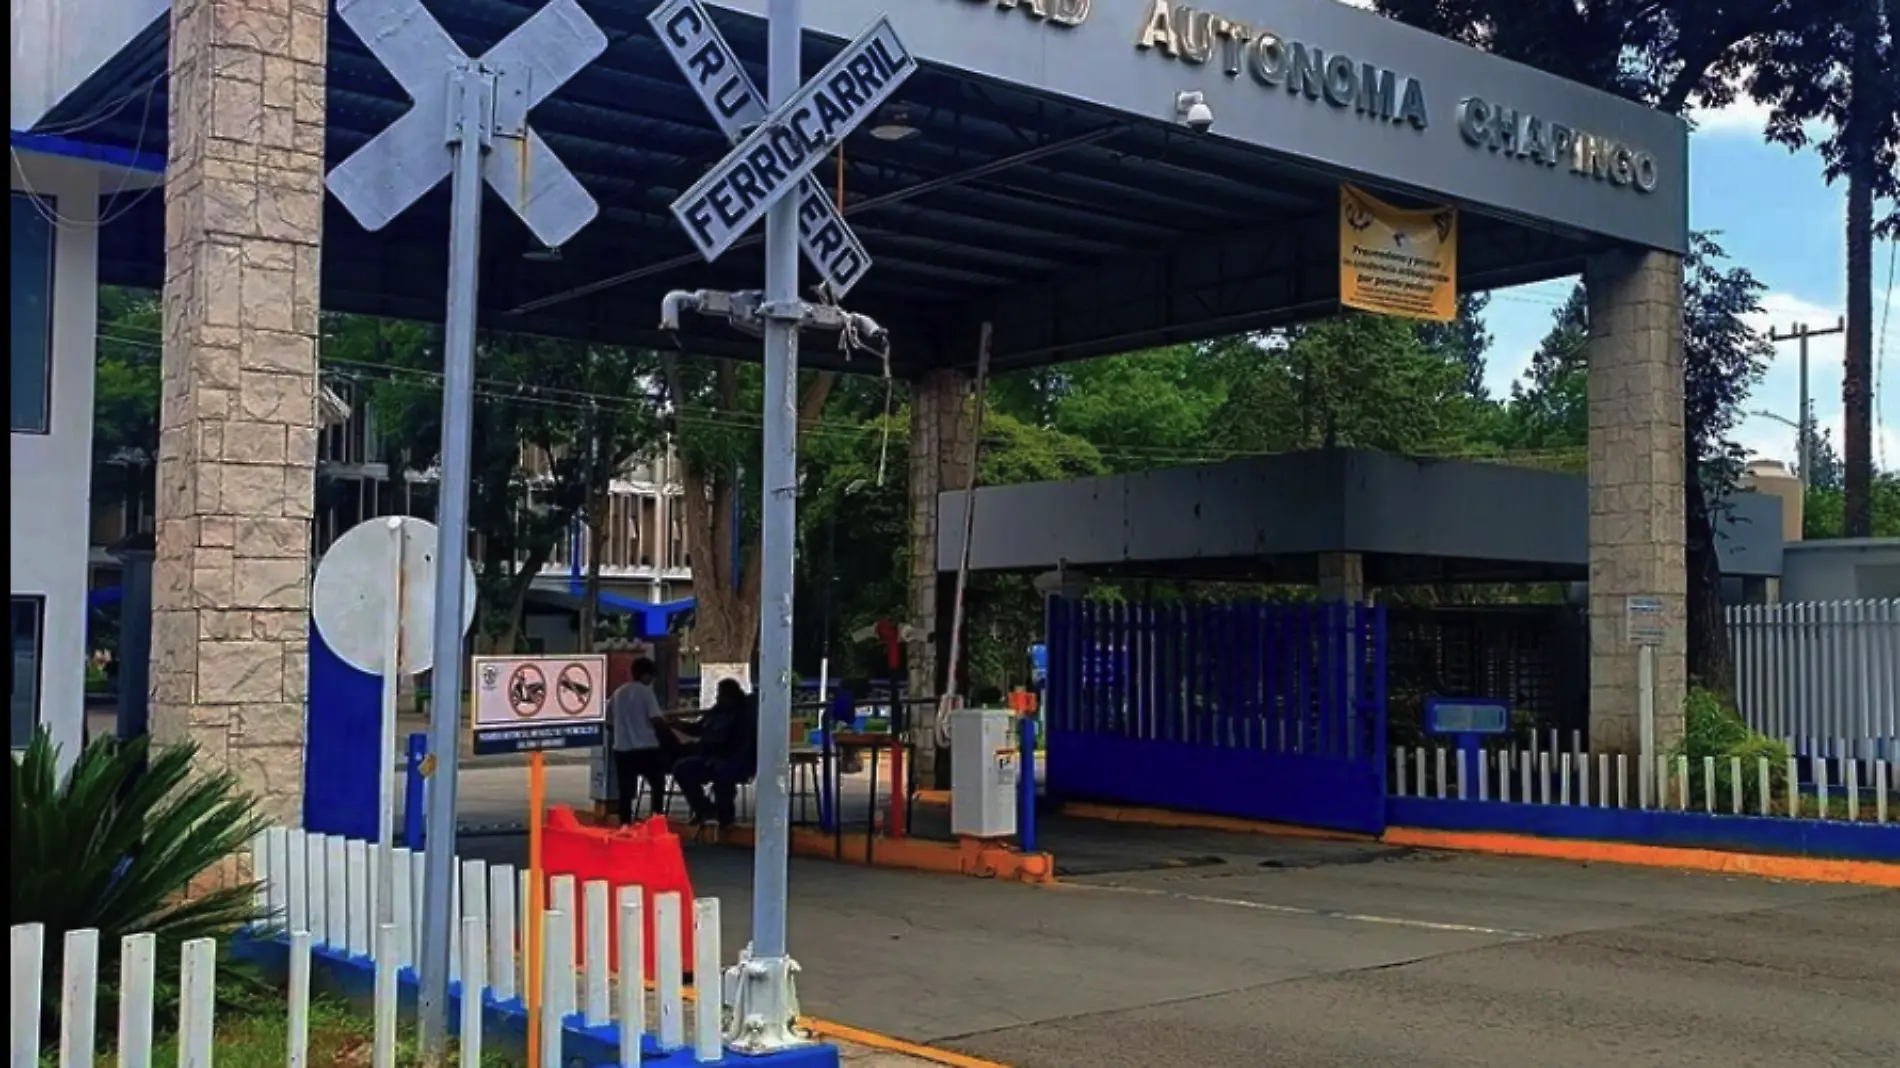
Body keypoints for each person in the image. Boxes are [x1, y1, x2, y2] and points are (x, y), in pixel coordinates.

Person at [670, 677, 758, 828]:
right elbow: (699, 728)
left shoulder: (744, 715)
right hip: (708, 757)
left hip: (735, 760)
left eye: (721, 694)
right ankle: (705, 809)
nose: (718, 697)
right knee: (681, 768)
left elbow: (742, 743)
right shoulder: (717, 711)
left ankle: (725, 816)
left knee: (722, 772)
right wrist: (677, 725)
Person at [608, 658, 672, 824]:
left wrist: (620, 734)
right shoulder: (645, 692)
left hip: (622, 749)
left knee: (625, 790)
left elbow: (608, 721)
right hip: (647, 748)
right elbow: (655, 719)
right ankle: (656, 820)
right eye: (651, 677)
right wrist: (670, 731)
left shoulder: (618, 692)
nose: (652, 681)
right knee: (657, 785)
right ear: (646, 675)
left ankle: (625, 823)